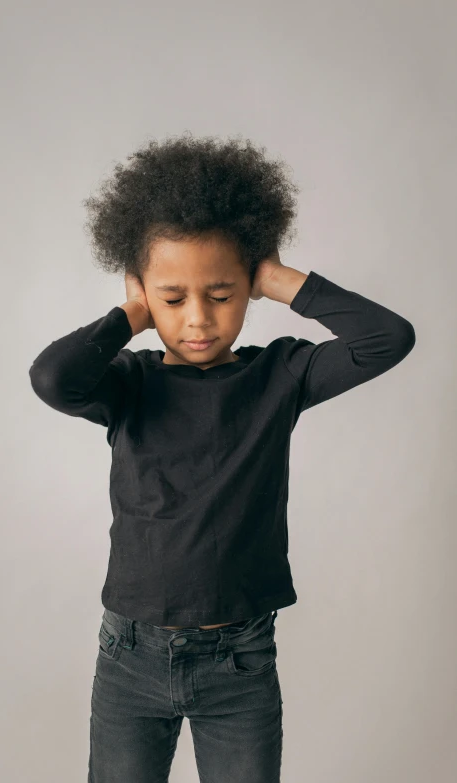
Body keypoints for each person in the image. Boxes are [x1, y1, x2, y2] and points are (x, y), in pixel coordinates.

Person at [28, 133, 416, 782]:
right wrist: (129, 314)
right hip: (129, 655)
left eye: (223, 291)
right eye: (172, 298)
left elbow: (388, 339)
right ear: (144, 290)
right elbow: (51, 378)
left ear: (248, 286)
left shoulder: (280, 375)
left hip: (239, 659)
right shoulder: (128, 383)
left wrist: (279, 279)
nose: (198, 317)